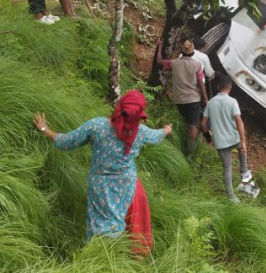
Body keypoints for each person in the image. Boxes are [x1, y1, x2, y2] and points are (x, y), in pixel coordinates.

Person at [33, 90, 172, 254]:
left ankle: (97, 256)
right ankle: (118, 256)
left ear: (120, 107)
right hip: (127, 184)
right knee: (119, 219)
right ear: (138, 115)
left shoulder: (97, 126)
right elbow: (158, 135)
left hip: (99, 184)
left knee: (99, 221)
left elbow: (66, 142)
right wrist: (166, 130)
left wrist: (45, 129)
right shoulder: (141, 132)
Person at [201, 75, 253, 203]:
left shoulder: (211, 102)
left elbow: (203, 124)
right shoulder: (232, 101)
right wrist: (243, 142)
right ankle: (245, 179)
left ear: (218, 87)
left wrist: (208, 138)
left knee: (227, 168)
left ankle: (231, 197)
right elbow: (239, 121)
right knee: (243, 156)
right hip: (234, 139)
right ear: (230, 88)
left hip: (221, 142)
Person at [157, 38, 208, 158]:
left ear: (182, 51)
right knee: (193, 126)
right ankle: (189, 154)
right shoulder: (197, 65)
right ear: (193, 52)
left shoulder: (174, 63)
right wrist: (205, 99)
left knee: (189, 120)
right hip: (193, 100)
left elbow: (159, 61)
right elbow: (201, 84)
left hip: (178, 99)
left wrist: (159, 47)